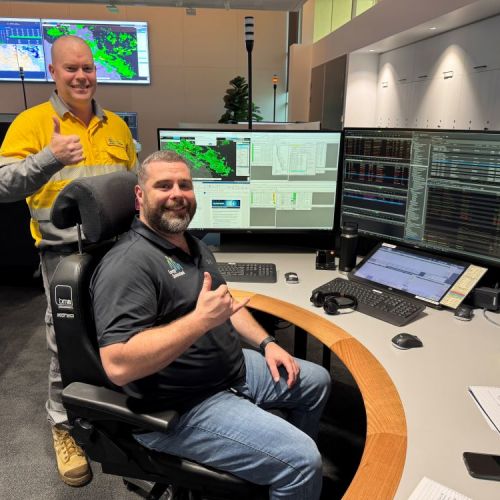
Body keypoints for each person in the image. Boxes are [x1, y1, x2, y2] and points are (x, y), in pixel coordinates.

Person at [90, 150, 332, 499]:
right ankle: (288, 471)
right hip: (183, 405)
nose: (177, 194)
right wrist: (199, 321)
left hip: (230, 371)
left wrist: (267, 344)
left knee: (317, 382)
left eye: (184, 185)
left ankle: (267, 473)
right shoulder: (128, 264)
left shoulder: (194, 245)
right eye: (164, 185)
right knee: (303, 461)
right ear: (140, 196)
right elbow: (118, 365)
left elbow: (226, 303)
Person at [0, 35, 136, 486]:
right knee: (67, 344)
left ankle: (113, 416)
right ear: (54, 73)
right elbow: (3, 184)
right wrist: (48, 159)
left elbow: (131, 189)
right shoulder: (33, 123)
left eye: (88, 68)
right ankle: (64, 429)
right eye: (71, 69)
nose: (81, 76)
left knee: (122, 333)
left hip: (116, 252)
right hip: (62, 256)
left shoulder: (117, 126)